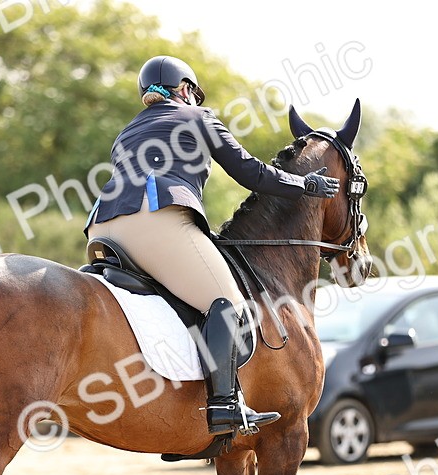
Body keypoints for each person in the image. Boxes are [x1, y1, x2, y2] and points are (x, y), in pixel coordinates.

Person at [85, 55, 340, 437]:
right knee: (229, 303)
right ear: (186, 89)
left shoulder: (127, 131)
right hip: (156, 220)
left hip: (102, 228)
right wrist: (303, 185)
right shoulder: (198, 117)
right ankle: (224, 405)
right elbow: (250, 172)